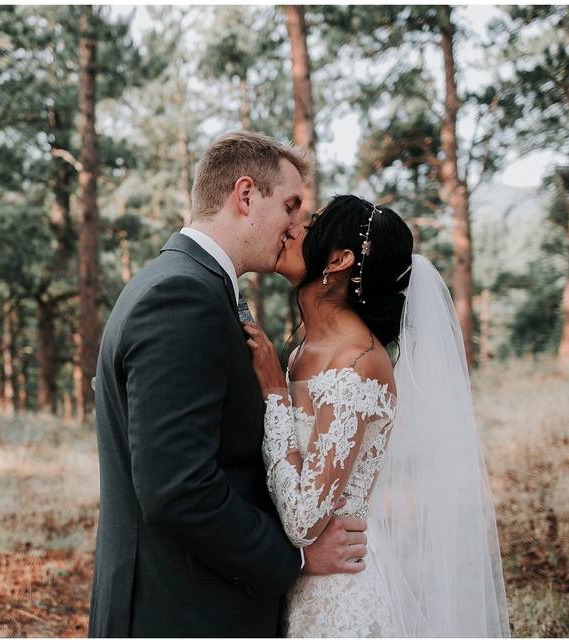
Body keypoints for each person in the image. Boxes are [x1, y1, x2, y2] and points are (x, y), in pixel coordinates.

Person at [88, 133, 369, 638]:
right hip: (181, 614)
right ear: (244, 196)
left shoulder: (190, 284)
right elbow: (177, 487)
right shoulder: (182, 297)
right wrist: (296, 557)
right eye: (289, 205)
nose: (296, 226)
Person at [243, 194, 510, 637]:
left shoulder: (358, 363)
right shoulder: (303, 348)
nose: (292, 228)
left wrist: (274, 393)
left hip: (339, 601)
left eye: (309, 225)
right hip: (292, 590)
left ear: (340, 259)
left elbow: (304, 517)